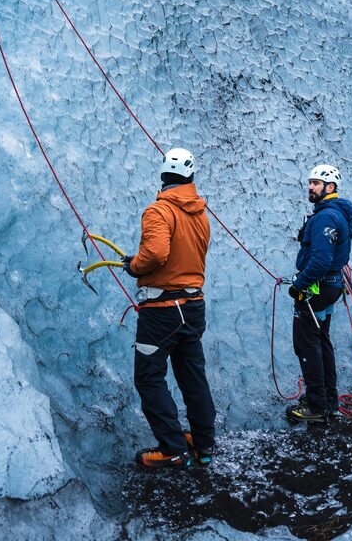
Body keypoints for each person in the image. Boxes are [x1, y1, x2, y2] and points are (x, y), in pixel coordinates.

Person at [123, 147, 216, 469]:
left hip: (162, 310)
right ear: (190, 177)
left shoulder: (158, 211)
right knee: (193, 378)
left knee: (149, 378)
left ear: (163, 177)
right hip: (192, 306)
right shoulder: (200, 215)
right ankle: (204, 444)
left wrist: (134, 267)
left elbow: (156, 253)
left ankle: (172, 449)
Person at [286, 164, 352, 425]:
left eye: (316, 183)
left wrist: (298, 286)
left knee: (306, 344)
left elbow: (320, 260)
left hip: (318, 288)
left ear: (330, 187)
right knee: (321, 341)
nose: (310, 187)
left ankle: (316, 406)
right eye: (311, 182)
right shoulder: (338, 214)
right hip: (331, 286)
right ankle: (328, 402)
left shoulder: (326, 217)